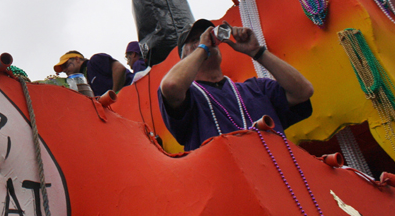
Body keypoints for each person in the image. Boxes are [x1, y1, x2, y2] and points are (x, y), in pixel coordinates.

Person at [158, 19, 313, 152]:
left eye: (206, 36)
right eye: (194, 41)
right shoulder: (189, 97)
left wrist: (257, 52)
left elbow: (303, 91)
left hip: (278, 176)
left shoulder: (257, 88)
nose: (205, 40)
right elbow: (171, 85)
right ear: (184, 59)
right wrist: (203, 48)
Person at [53, 50, 129, 97]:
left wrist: (114, 94)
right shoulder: (84, 81)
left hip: (133, 91)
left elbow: (119, 68)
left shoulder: (94, 61)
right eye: (63, 69)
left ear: (77, 59)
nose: (65, 70)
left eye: (66, 65)